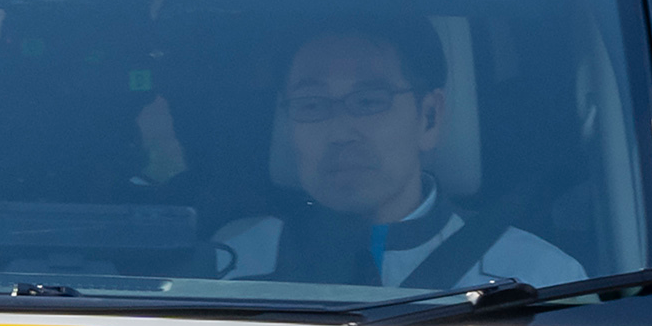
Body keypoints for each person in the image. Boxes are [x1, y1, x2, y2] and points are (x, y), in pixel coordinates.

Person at [215, 19, 568, 286]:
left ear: (429, 117)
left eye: (369, 102)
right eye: (311, 105)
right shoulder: (225, 268)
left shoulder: (538, 280)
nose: (340, 133)